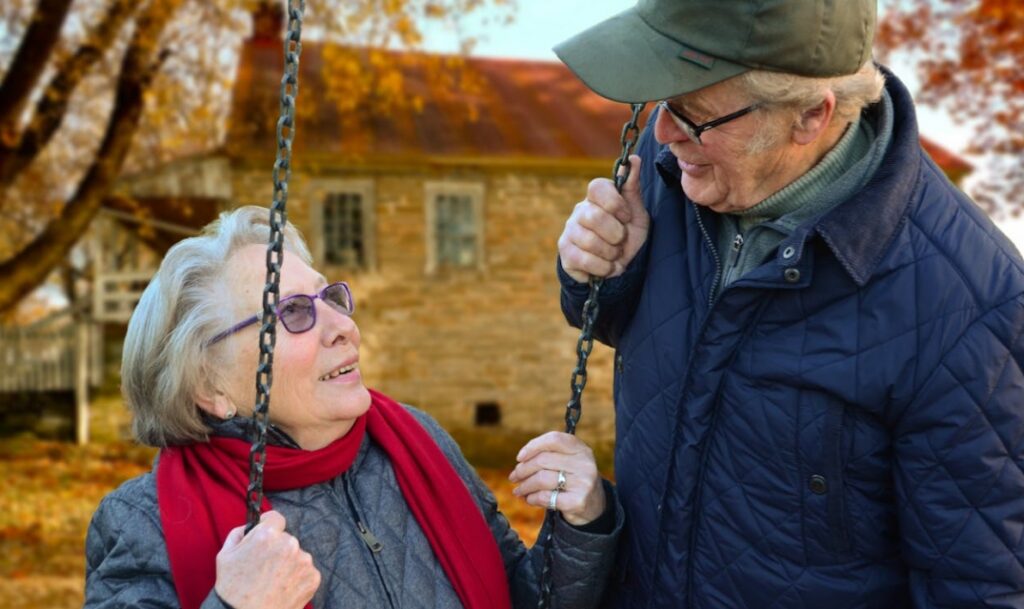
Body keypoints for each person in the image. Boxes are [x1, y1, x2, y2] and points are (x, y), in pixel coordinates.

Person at [553, 0, 1024, 607]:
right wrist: (598, 274)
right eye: (662, 103)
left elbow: (982, 588)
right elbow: (637, 331)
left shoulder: (972, 310)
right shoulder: (683, 163)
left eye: (694, 115)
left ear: (810, 116)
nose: (665, 134)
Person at [85, 205, 622, 609]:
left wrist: (580, 522)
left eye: (331, 298)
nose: (343, 326)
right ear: (210, 387)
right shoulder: (142, 523)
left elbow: (523, 598)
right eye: (293, 312)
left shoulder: (417, 441)